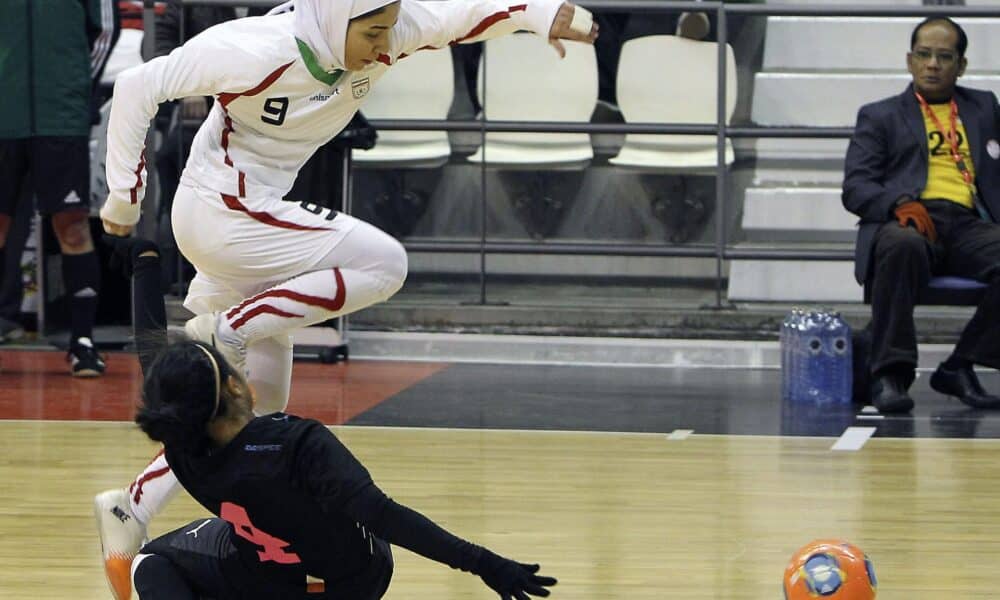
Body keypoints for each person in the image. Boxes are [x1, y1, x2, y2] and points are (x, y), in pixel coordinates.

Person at [94, 2, 595, 598]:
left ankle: (133, 504)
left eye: (389, 31)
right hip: (220, 210)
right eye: (372, 33)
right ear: (334, 20)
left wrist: (544, 15)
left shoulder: (393, 31)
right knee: (384, 263)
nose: (385, 48)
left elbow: (465, 14)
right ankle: (226, 329)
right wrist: (124, 200)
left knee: (252, 418)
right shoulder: (255, 47)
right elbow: (137, 84)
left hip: (254, 218)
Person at [96, 235, 556, 600]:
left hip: (263, 580)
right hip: (353, 584)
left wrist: (146, 262)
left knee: (150, 565)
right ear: (236, 386)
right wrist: (485, 563)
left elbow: (151, 352)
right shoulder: (299, 444)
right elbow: (386, 518)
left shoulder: (183, 442)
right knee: (350, 530)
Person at [842, 17, 1000, 413]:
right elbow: (856, 187)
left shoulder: (984, 107)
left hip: (969, 222)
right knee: (900, 244)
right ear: (910, 61)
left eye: (944, 57)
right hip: (912, 218)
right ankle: (890, 375)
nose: (933, 64)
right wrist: (897, 204)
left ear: (960, 66)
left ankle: (959, 366)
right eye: (924, 55)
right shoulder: (880, 116)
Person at [0, 0, 118, 375]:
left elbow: (105, 30)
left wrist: (77, 85)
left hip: (61, 115)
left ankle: (82, 341)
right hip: (4, 115)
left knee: (72, 225)